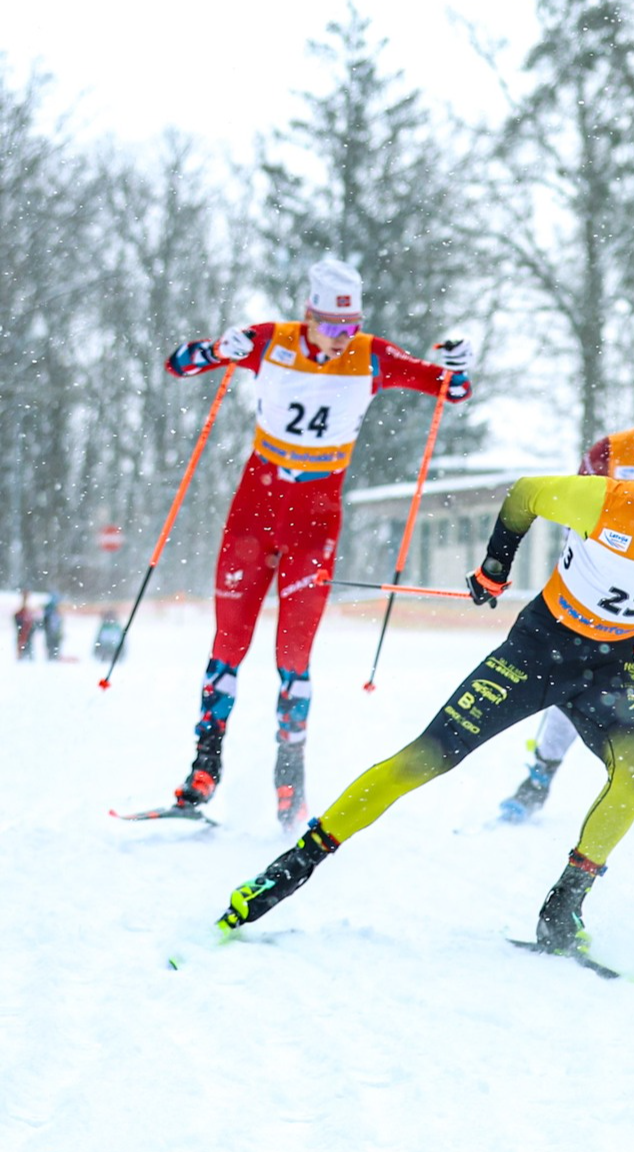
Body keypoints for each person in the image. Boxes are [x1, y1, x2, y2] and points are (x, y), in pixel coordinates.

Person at [217, 414, 634, 954]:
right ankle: (292, 866)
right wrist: (496, 564)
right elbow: (524, 496)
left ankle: (564, 908)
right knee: (427, 758)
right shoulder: (606, 501)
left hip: (609, 664)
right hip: (539, 649)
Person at [162, 258, 473, 828]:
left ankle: (290, 782)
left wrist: (455, 365)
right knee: (229, 642)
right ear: (308, 316)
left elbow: (449, 390)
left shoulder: (371, 357)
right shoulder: (270, 342)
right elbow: (178, 364)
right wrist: (215, 349)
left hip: (315, 524)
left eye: (348, 328)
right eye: (329, 327)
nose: (338, 340)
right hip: (254, 514)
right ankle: (203, 770)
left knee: (294, 655)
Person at [496, 372, 634, 827]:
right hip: (606, 587)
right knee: (576, 678)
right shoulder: (610, 452)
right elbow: (576, 513)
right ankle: (540, 776)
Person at [40, 591, 64, 660]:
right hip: (51, 633)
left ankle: (53, 658)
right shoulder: (50, 610)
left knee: (53, 649)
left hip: (54, 633)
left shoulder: (54, 611)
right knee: (52, 648)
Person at [13, 592, 36, 661]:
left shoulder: (28, 612)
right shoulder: (21, 613)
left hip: (26, 634)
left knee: (27, 647)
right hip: (23, 634)